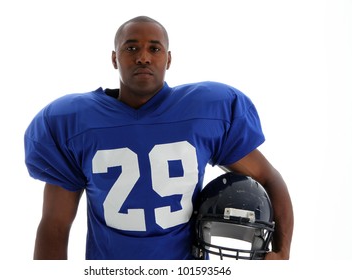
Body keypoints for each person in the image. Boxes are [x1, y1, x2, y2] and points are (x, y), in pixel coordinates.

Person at [24, 16, 293, 260]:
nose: (143, 57)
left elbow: (268, 177)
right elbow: (55, 224)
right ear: (115, 58)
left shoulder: (204, 111)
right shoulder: (72, 121)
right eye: (131, 48)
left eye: (154, 48)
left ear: (168, 59)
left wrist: (282, 253)